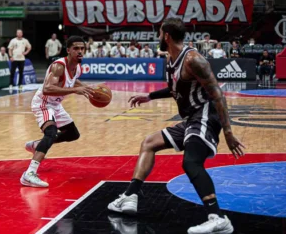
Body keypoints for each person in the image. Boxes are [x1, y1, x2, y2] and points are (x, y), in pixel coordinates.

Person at [107, 18, 245, 234]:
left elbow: (218, 94)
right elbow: (174, 90)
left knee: (191, 163)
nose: (158, 37)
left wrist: (228, 132)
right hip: (191, 119)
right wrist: (149, 96)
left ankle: (218, 218)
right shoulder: (172, 59)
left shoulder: (193, 60)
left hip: (205, 115)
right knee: (149, 143)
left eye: (160, 33)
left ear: (167, 36)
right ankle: (130, 197)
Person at [20, 36, 95, 187]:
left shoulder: (77, 67)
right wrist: (75, 90)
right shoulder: (59, 66)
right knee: (51, 133)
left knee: (73, 134)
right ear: (68, 50)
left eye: (82, 48)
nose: (80, 51)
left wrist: (85, 88)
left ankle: (37, 145)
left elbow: (73, 80)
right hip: (43, 102)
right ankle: (29, 173)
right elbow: (47, 89)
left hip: (56, 104)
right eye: (76, 48)